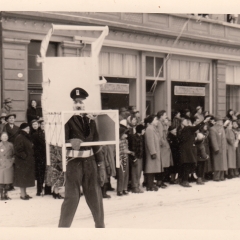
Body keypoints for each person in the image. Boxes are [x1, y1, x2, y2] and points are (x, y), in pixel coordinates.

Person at [58, 87, 106, 228]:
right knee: (72, 197)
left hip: (90, 162)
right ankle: (63, 229)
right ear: (72, 104)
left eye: (81, 101)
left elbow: (96, 143)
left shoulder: (90, 120)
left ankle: (100, 227)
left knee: (95, 196)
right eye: (76, 101)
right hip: (74, 162)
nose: (79, 104)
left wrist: (101, 165)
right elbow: (62, 140)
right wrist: (70, 142)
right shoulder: (67, 119)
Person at [177, 116, 211, 187]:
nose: (189, 123)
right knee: (187, 165)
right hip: (187, 150)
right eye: (187, 121)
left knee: (186, 165)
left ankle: (183, 180)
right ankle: (185, 181)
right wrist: (204, 121)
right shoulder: (188, 128)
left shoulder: (185, 130)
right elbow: (197, 127)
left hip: (185, 150)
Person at [14, 123, 35, 200]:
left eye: (28, 129)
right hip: (22, 161)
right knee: (22, 178)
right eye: (26, 129)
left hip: (27, 161)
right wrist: (25, 157)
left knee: (25, 178)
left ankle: (25, 193)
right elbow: (18, 150)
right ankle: (22, 195)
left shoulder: (25, 137)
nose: (28, 130)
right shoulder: (20, 137)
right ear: (22, 129)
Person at [144, 114, 161, 191]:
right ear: (151, 121)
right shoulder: (149, 129)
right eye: (155, 120)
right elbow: (150, 142)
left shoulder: (153, 128)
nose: (157, 121)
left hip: (154, 151)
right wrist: (153, 152)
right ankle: (149, 185)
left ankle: (151, 184)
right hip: (152, 152)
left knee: (153, 169)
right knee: (150, 169)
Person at [156, 110, 172, 188]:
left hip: (164, 146)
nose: (166, 116)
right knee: (162, 164)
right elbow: (160, 136)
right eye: (165, 115)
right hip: (162, 147)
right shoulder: (159, 123)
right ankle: (159, 181)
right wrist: (164, 144)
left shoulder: (162, 124)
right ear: (161, 116)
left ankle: (161, 181)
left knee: (164, 164)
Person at [209, 116, 228, 181]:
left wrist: (225, 147)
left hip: (223, 148)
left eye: (222, 121)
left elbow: (224, 139)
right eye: (220, 121)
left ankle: (222, 176)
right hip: (217, 149)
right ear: (217, 122)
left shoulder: (222, 128)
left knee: (222, 163)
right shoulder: (212, 129)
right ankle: (216, 177)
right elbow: (213, 140)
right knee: (217, 163)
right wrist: (216, 148)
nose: (222, 122)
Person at [32, 120, 48, 196]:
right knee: (40, 174)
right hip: (40, 157)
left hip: (48, 156)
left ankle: (48, 190)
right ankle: (39, 190)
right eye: (42, 124)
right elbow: (35, 147)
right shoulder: (35, 134)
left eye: (44, 124)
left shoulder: (50, 133)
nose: (43, 126)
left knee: (48, 173)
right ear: (39, 125)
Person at [117, 124, 134, 196]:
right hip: (121, 158)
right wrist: (128, 152)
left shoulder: (126, 141)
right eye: (124, 134)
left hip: (126, 158)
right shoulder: (118, 141)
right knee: (121, 174)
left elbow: (126, 149)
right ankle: (120, 189)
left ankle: (125, 188)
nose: (126, 136)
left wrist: (128, 152)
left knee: (126, 173)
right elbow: (120, 151)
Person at [130, 124, 145, 193]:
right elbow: (133, 149)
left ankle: (137, 185)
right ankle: (134, 187)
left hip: (140, 157)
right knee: (135, 173)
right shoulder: (134, 137)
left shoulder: (141, 137)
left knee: (138, 173)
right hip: (136, 157)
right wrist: (134, 158)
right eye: (143, 130)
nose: (144, 131)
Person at [0, 132, 14, 200]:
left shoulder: (11, 145)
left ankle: (6, 194)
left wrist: (12, 161)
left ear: (7, 137)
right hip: (1, 164)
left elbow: (14, 154)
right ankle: (1, 195)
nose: (5, 137)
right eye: (3, 136)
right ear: (0, 137)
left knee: (7, 181)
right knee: (1, 180)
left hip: (9, 164)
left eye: (6, 136)